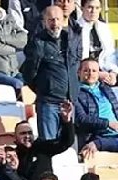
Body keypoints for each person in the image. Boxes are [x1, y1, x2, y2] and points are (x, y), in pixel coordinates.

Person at [22, 5, 80, 139]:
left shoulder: (71, 40)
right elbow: (29, 73)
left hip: (70, 102)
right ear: (44, 22)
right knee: (49, 145)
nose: (55, 23)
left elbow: (76, 65)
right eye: (51, 20)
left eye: (58, 19)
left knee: (69, 145)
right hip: (49, 103)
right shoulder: (37, 42)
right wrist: (45, 88)